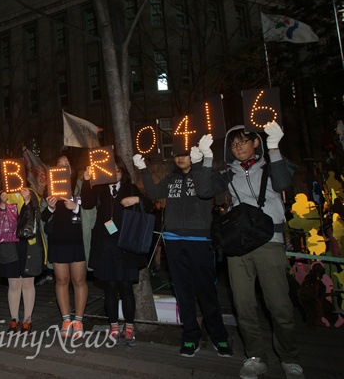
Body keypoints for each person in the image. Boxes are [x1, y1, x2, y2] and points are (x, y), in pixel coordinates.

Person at [192, 123, 304, 379]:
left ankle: (289, 358)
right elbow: (204, 190)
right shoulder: (229, 173)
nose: (237, 147)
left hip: (269, 241)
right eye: (233, 144)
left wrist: (274, 146)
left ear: (256, 143)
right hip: (239, 245)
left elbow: (284, 183)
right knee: (243, 305)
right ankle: (255, 357)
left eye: (243, 141)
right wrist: (205, 160)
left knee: (279, 306)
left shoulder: (271, 165)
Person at [132, 151, 232, 358]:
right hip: (174, 240)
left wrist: (202, 164)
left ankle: (219, 336)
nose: (180, 158)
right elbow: (153, 192)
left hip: (200, 240)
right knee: (183, 292)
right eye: (177, 155)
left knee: (207, 291)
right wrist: (143, 169)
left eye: (185, 155)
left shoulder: (205, 175)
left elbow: (212, 191)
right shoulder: (171, 178)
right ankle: (190, 336)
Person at [81, 155, 151, 346]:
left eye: (119, 171)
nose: (115, 174)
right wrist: (86, 182)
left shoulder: (130, 188)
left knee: (126, 288)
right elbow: (86, 204)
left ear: (123, 172)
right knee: (110, 289)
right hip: (104, 246)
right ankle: (113, 327)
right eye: (112, 171)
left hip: (126, 245)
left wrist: (137, 199)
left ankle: (129, 328)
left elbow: (151, 205)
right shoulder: (100, 188)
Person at [41, 154, 88, 339]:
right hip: (57, 240)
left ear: (72, 168)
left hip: (77, 239)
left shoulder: (81, 186)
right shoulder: (49, 188)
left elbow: (91, 212)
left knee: (79, 280)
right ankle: (66, 319)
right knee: (61, 280)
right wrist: (51, 207)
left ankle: (79, 320)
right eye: (59, 164)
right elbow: (43, 218)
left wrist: (75, 207)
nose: (62, 167)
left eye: (66, 164)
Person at [0, 186, 44, 335]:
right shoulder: (0, 194)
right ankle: (14, 319)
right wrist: (3, 205)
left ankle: (27, 321)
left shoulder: (32, 193)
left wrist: (27, 201)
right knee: (14, 283)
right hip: (9, 244)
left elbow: (37, 220)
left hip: (29, 244)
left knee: (28, 283)